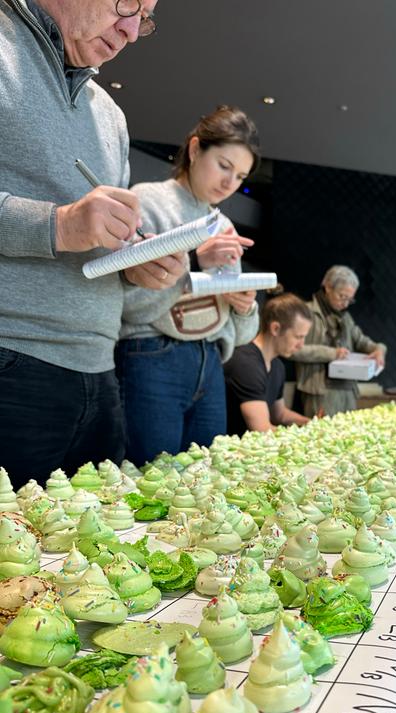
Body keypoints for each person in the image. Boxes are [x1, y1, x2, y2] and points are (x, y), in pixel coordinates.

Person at [0, 0, 186, 490]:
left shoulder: (111, 116)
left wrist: (136, 264)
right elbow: (70, 227)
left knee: (93, 556)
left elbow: (99, 245)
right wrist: (59, 224)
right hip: (13, 358)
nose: (129, 30)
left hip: (101, 371)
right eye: (127, 4)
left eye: (144, 17)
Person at [116, 105, 262, 465]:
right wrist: (196, 263)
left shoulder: (223, 224)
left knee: (204, 487)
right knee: (149, 482)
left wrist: (245, 306)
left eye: (240, 176)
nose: (230, 183)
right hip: (150, 355)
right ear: (195, 150)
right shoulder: (148, 200)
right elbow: (126, 302)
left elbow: (242, 332)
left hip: (211, 362)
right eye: (224, 166)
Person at [290, 265, 387, 417]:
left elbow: (361, 341)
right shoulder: (306, 312)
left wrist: (379, 349)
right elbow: (294, 350)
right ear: (328, 287)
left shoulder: (345, 317)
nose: (345, 304)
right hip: (319, 390)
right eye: (342, 297)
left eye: (350, 299)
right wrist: (331, 353)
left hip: (348, 388)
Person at [224, 294, 312, 435]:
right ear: (275, 328)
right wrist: (310, 438)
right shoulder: (247, 365)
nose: (301, 345)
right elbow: (262, 429)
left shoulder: (277, 365)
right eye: (298, 337)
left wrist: (313, 423)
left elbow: (280, 414)